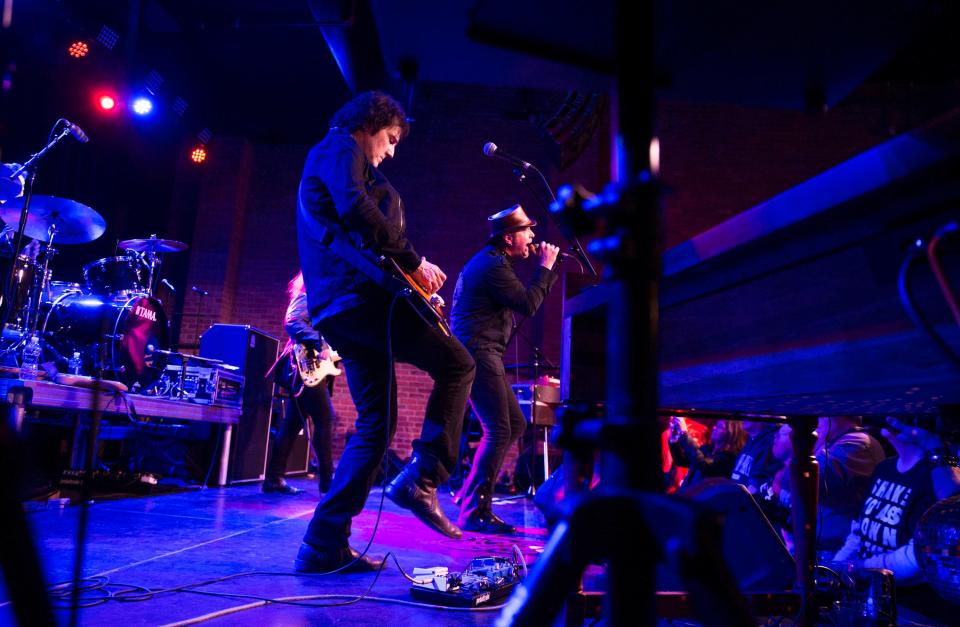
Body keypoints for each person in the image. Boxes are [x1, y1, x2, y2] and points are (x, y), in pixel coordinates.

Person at [294, 91, 475, 572]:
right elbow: (355, 208)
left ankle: (321, 544)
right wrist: (415, 261)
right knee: (459, 363)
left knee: (376, 425)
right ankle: (425, 476)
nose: (391, 150)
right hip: (358, 303)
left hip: (346, 305)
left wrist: (412, 282)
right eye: (391, 138)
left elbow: (357, 229)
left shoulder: (339, 156)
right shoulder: (340, 146)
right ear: (371, 123)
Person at [449, 205, 559, 533]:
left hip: (481, 352)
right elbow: (527, 303)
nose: (533, 237)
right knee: (501, 427)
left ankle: (469, 497)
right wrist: (545, 267)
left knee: (512, 424)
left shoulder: (494, 262)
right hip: (478, 353)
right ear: (509, 238)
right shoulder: (493, 266)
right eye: (527, 231)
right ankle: (474, 510)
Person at [830, 416, 960, 621]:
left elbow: (915, 558)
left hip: (911, 606)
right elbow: (858, 531)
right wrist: (837, 567)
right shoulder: (885, 467)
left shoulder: (936, 477)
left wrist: (857, 568)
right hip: (869, 591)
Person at [263, 272, 335, 495]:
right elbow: (292, 321)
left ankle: (273, 479)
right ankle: (327, 483)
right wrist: (321, 343)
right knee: (325, 419)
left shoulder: (320, 300)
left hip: (311, 369)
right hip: (304, 366)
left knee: (292, 423)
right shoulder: (306, 295)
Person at [669, 417, 748, 489]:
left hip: (703, 502)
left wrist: (684, 433)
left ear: (732, 433)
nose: (714, 428)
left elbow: (702, 463)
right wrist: (674, 440)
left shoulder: (729, 457)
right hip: (689, 496)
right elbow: (681, 460)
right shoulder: (707, 449)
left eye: (720, 427)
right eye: (716, 425)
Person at [730, 420, 782, 494]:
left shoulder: (769, 441)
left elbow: (757, 482)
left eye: (749, 412)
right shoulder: (751, 440)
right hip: (737, 497)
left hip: (747, 502)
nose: (744, 417)